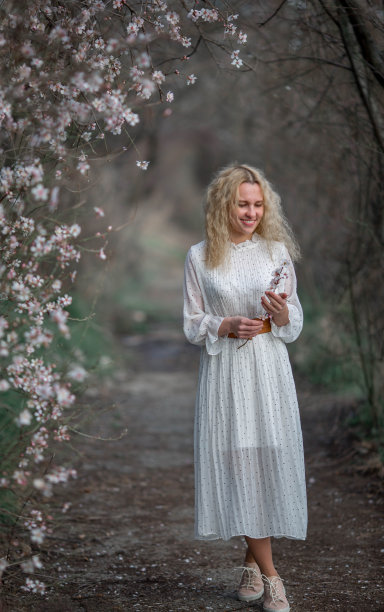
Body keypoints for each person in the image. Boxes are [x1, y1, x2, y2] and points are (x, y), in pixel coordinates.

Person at [183, 164, 307, 612]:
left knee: (264, 461)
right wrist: (223, 324)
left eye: (258, 204)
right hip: (225, 375)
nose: (252, 212)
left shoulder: (276, 252)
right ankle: (274, 577)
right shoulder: (199, 256)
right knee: (238, 464)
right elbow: (192, 324)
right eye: (242, 204)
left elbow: (293, 323)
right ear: (224, 205)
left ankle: (253, 566)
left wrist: (282, 315)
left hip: (268, 370)